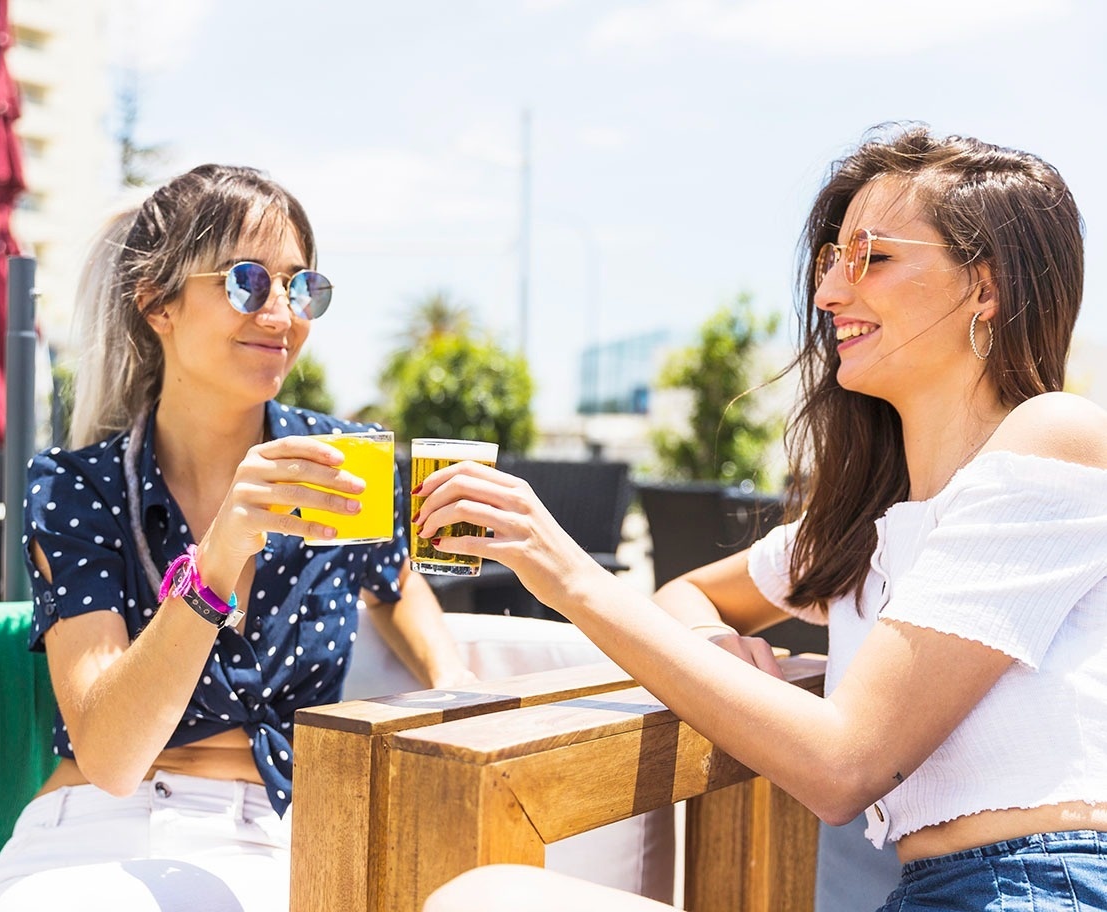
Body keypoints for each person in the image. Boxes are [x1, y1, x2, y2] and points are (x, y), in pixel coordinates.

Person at [416, 125, 1107, 911]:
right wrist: (719, 647)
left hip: (1045, 885)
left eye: (870, 258)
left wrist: (570, 576)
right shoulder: (865, 528)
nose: (828, 294)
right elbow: (686, 594)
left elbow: (844, 765)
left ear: (985, 288)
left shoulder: (1058, 437)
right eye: (828, 262)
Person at [0, 164, 474, 912]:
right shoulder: (79, 485)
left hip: (277, 831)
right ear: (157, 303)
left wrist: (460, 689)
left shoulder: (343, 463)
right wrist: (217, 557)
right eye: (246, 282)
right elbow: (109, 756)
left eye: (302, 288)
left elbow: (403, 596)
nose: (281, 313)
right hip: (93, 821)